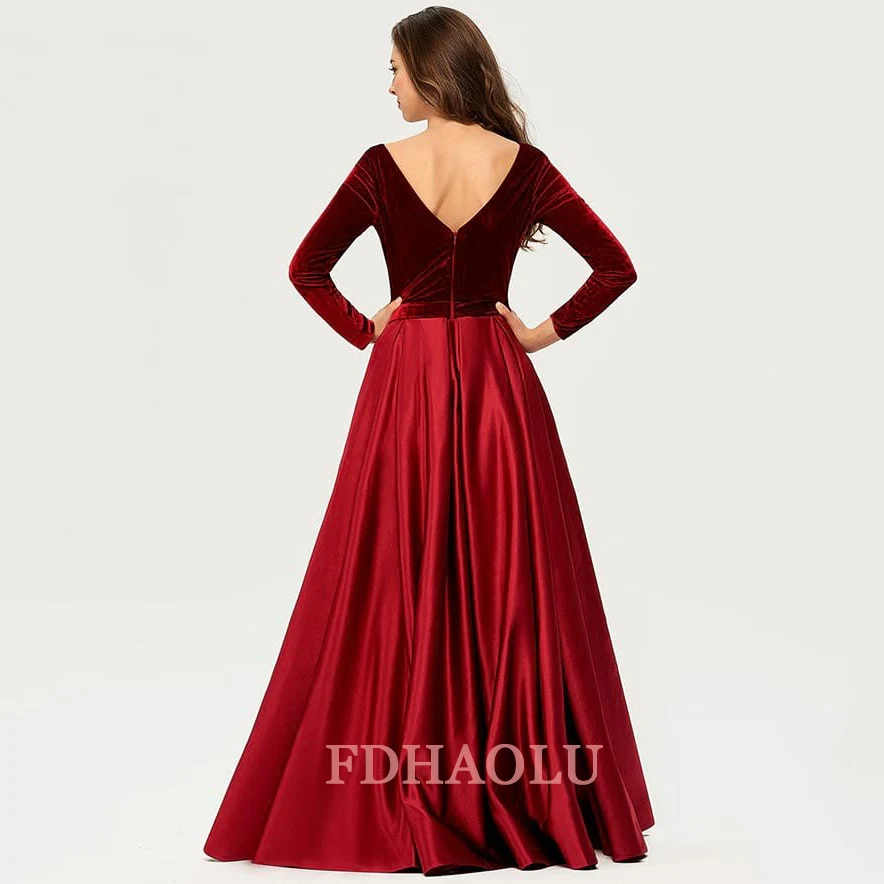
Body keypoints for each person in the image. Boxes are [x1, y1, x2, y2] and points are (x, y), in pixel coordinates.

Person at [203, 6, 653, 874]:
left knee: (391, 570)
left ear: (432, 72)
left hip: (406, 385)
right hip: (496, 387)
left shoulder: (382, 167)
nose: (389, 86)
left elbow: (306, 268)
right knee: (510, 576)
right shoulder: (524, 167)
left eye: (396, 69)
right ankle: (527, 795)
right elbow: (616, 266)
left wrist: (368, 327)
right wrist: (537, 335)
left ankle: (401, 780)